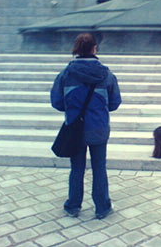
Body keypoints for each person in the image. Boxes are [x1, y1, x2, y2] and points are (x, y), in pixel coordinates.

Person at [51, 33, 121, 219]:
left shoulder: (66, 74)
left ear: (76, 49)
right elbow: (115, 103)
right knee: (99, 167)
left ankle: (73, 206)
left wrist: (73, 109)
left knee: (77, 169)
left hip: (75, 129)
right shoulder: (106, 74)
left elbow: (56, 102)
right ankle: (102, 208)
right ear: (94, 49)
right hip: (99, 129)